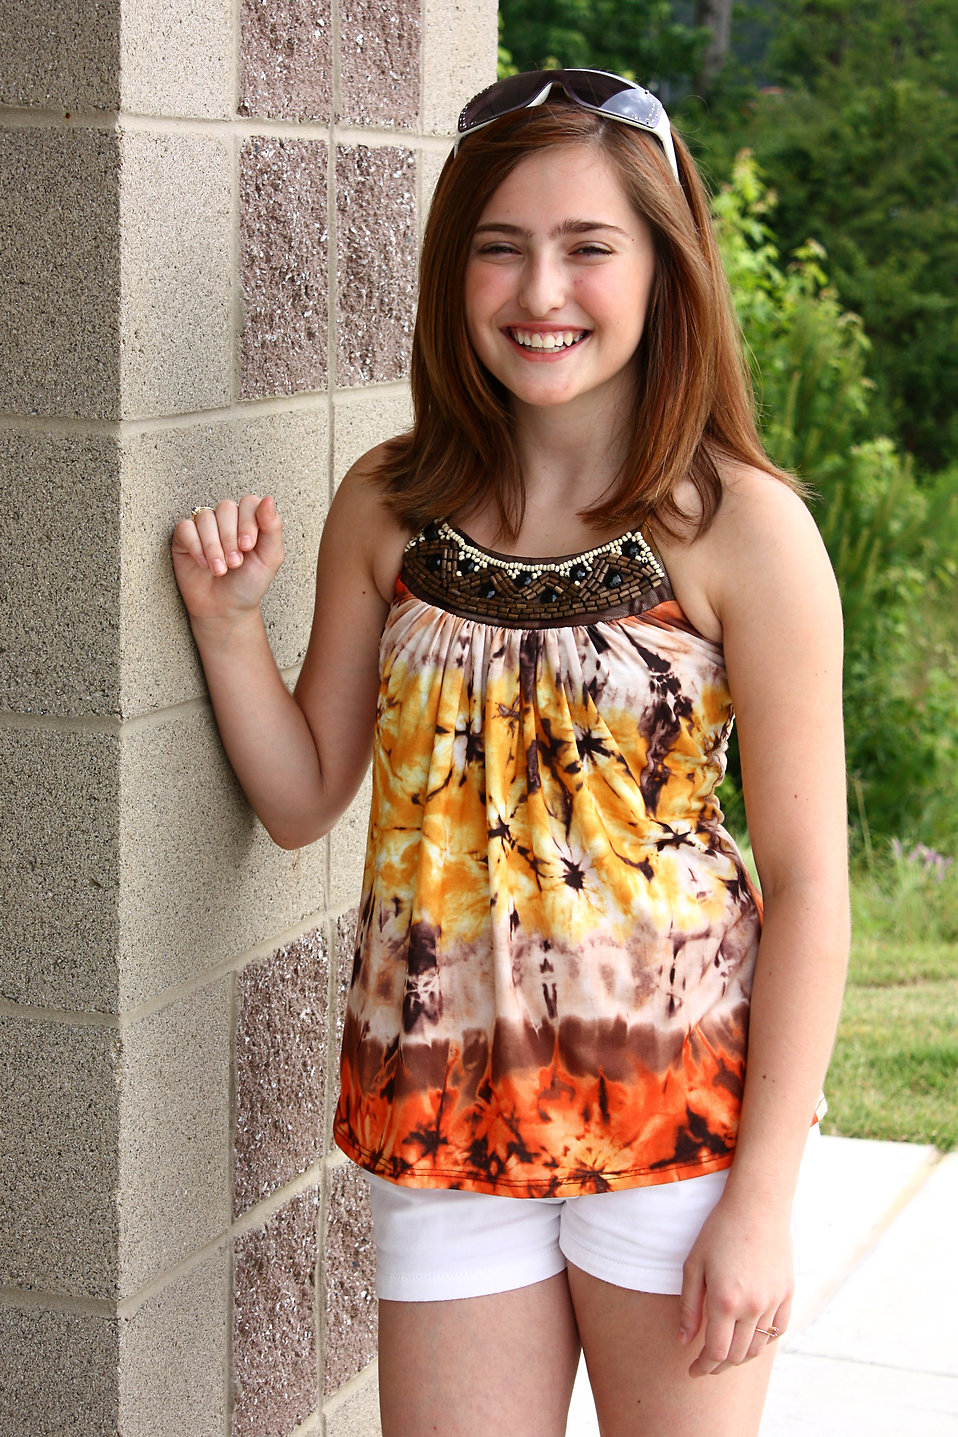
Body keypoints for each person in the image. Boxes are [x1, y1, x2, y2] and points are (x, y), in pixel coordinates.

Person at [172, 69, 849, 1437]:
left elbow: (812, 885)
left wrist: (760, 1205)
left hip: (673, 1133)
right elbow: (304, 796)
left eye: (589, 246)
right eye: (499, 245)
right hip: (439, 1125)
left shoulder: (740, 529)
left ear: (665, 267)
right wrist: (228, 626)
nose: (540, 289)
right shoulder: (391, 501)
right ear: (451, 272)